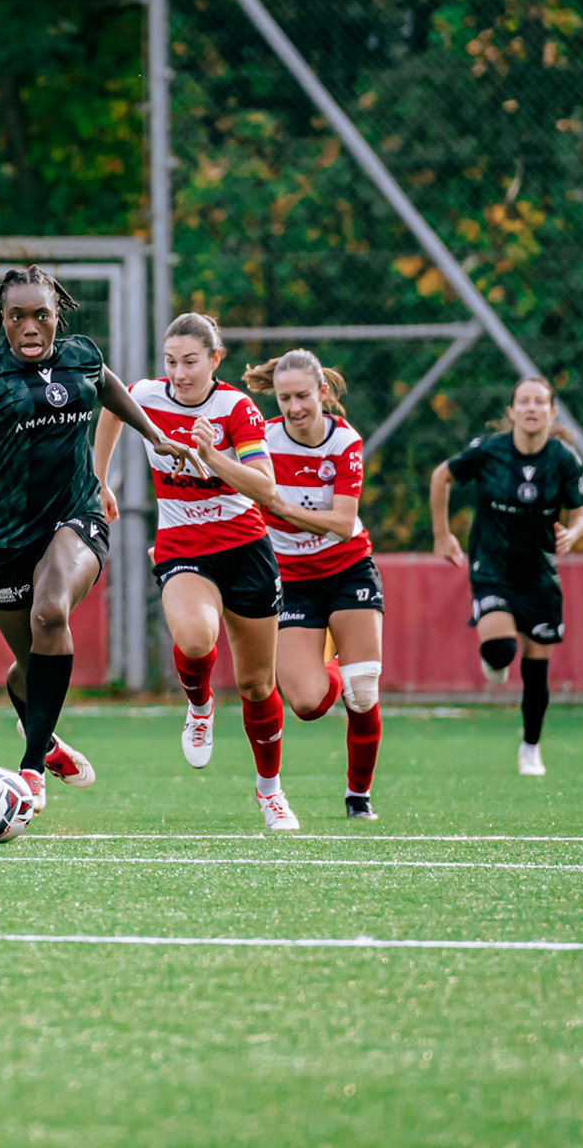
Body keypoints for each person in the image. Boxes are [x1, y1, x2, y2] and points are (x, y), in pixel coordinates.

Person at [0, 265, 202, 815]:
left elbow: (109, 387)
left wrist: (156, 435)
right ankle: (46, 743)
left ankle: (28, 771)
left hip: (77, 517)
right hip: (2, 542)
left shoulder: (81, 356)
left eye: (40, 315)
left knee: (50, 614)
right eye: (17, 316)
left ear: (56, 317)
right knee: (29, 670)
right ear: (1, 320)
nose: (29, 326)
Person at [94, 313, 294, 829]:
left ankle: (270, 791)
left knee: (256, 686)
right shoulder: (148, 395)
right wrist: (100, 479)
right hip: (182, 546)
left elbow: (266, 489)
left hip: (246, 549)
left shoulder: (236, 409)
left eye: (190, 362)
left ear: (214, 360)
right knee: (197, 636)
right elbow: (111, 405)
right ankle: (200, 706)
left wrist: (212, 455)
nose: (179, 373)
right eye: (171, 362)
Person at [216, 349, 385, 821]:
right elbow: (228, 493)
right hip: (289, 577)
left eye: (303, 396)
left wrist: (283, 509)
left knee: (364, 691)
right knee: (308, 704)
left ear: (322, 393)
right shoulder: (262, 440)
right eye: (285, 397)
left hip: (348, 569)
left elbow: (343, 522)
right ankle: (334, 663)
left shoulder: (344, 441)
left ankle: (358, 798)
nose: (294, 407)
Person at [429, 375, 583, 776]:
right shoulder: (489, 451)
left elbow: (581, 512)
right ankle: (494, 657)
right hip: (492, 566)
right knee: (501, 650)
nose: (532, 408)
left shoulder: (564, 458)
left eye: (540, 401)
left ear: (552, 412)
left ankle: (530, 748)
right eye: (524, 401)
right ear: (512, 411)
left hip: (538, 573)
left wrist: (573, 533)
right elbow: (441, 477)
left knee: (536, 669)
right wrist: (441, 533)